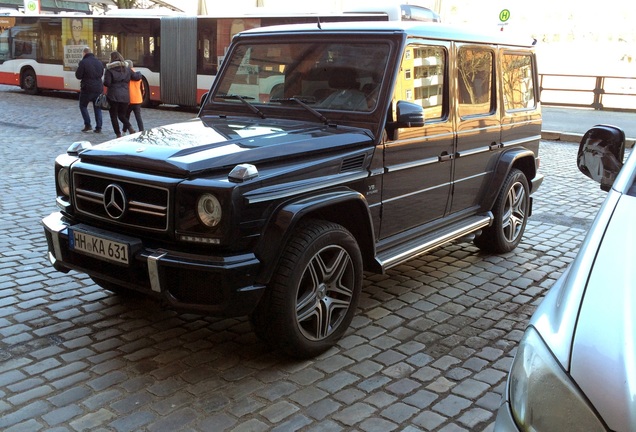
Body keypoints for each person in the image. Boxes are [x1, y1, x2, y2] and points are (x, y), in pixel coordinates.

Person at [103, 51, 141, 138]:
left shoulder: (109, 69)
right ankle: (130, 128)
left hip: (113, 96)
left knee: (113, 116)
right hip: (125, 96)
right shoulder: (127, 69)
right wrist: (140, 74)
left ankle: (118, 134)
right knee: (122, 115)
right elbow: (135, 77)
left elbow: (107, 83)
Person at [75, 47, 104, 133]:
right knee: (97, 107)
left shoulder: (83, 62)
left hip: (87, 88)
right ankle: (99, 127)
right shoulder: (99, 62)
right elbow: (101, 73)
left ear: (84, 53)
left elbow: (78, 76)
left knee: (83, 106)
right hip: (98, 88)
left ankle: (88, 125)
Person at [125, 60, 144, 132]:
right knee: (138, 117)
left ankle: (124, 131)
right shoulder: (139, 75)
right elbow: (142, 88)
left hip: (130, 99)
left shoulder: (127, 76)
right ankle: (141, 130)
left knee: (126, 116)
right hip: (138, 99)